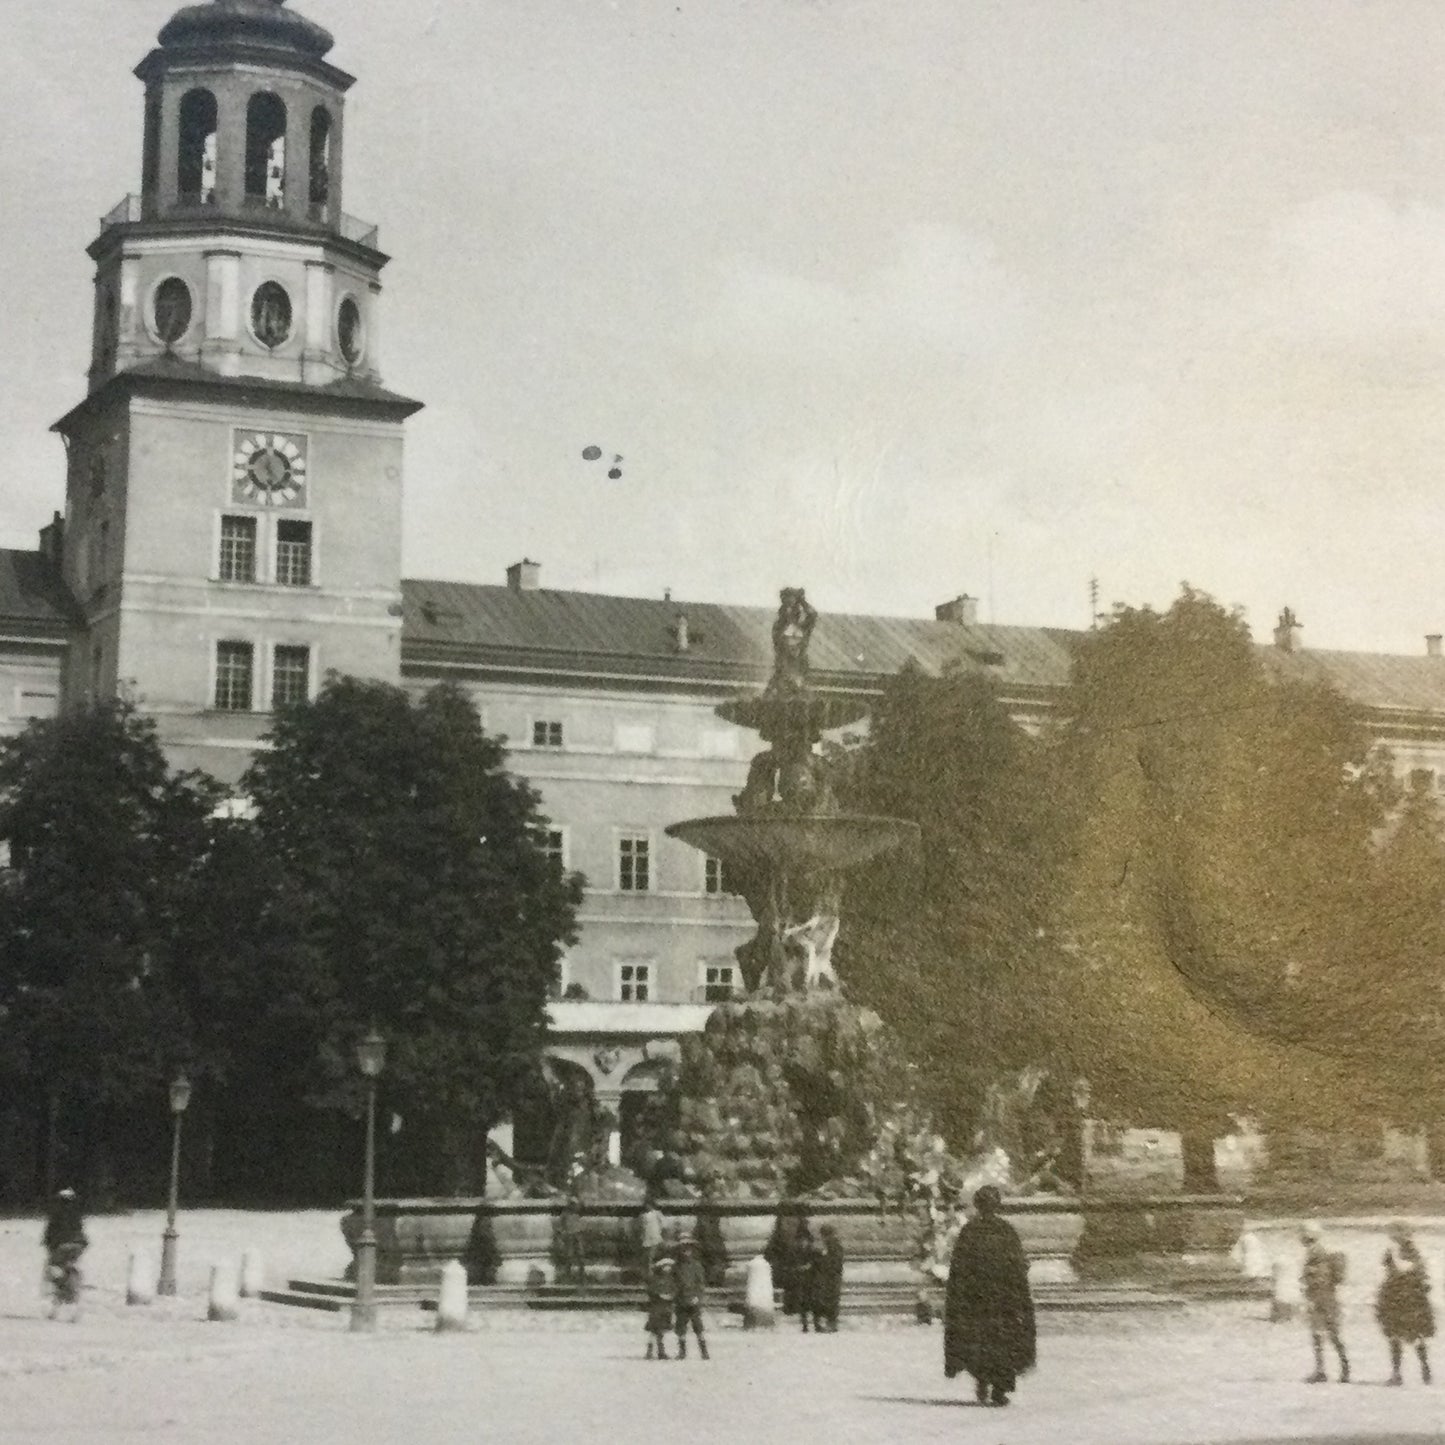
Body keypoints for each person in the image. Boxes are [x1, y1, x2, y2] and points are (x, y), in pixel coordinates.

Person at [943, 1185, 1036, 1407]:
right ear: (997, 1205)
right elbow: (1019, 1264)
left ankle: (983, 1379)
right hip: (1003, 1301)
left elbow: (959, 1268)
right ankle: (1000, 1388)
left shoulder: (969, 1231)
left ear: (977, 1205)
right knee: (1002, 1343)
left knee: (980, 1340)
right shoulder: (1006, 1231)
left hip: (977, 1300)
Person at [1377, 1222, 1434, 1385]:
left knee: (1409, 1335)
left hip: (1407, 1298)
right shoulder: (1397, 1251)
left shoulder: (1410, 1251)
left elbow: (1406, 1270)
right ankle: (1409, 1372)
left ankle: (1420, 1370)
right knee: (1399, 1336)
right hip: (1401, 1297)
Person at [1300, 1221, 1349, 1383]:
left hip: (1321, 1297)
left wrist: (1309, 1290)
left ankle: (1332, 1369)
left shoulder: (1316, 1255)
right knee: (1325, 1334)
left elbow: (1319, 1279)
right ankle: (1339, 1368)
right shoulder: (1317, 1253)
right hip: (1326, 1297)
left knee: (1324, 1333)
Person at [42, 1188, 87, 1322]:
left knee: (53, 1271)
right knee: (71, 1268)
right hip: (78, 1246)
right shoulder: (76, 1214)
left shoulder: (55, 1214)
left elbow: (49, 1235)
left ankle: (55, 1304)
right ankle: (72, 1299)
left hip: (61, 1246)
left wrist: (48, 1247)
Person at [673, 1235, 710, 1360]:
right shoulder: (676, 1266)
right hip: (681, 1300)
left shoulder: (697, 1266)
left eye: (688, 1250)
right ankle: (682, 1352)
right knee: (681, 1328)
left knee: (698, 1327)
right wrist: (675, 1297)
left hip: (694, 1300)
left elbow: (700, 1284)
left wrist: (698, 1297)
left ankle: (704, 1352)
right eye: (683, 1250)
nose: (686, 1252)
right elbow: (673, 1283)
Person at [808, 1222, 844, 1333]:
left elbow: (832, 1263)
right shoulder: (832, 1245)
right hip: (828, 1279)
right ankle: (828, 1323)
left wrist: (819, 1259)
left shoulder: (832, 1245)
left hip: (829, 1278)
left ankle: (826, 1324)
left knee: (826, 1301)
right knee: (828, 1301)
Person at [644, 1255, 676, 1360]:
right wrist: (659, 1295)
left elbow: (675, 1290)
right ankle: (649, 1351)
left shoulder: (672, 1279)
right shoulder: (655, 1279)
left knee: (662, 1331)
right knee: (654, 1330)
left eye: (669, 1266)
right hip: (656, 1307)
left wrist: (672, 1296)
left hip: (666, 1307)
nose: (667, 1268)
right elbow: (651, 1290)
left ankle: (661, 1352)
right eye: (665, 1266)